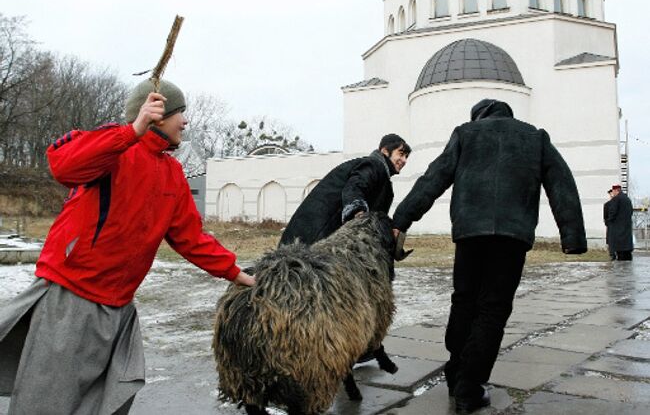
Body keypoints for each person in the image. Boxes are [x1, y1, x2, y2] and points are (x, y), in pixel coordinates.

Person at [0, 78, 254, 415]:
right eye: (180, 113)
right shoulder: (113, 148)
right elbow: (63, 166)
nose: (186, 121)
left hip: (119, 308)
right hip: (71, 300)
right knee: (47, 402)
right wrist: (132, 130)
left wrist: (235, 273)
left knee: (102, 403)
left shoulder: (172, 173)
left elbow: (191, 238)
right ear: (157, 115)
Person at [392, 99, 587, 414]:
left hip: (470, 233)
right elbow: (562, 184)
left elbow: (434, 178)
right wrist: (573, 237)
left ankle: (457, 372)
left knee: (464, 300)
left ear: (477, 116)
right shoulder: (535, 137)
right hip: (512, 236)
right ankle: (470, 387)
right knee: (493, 310)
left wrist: (401, 219)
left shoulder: (466, 133)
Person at [279, 133, 411, 246]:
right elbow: (355, 187)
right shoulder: (374, 165)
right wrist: (359, 213)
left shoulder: (381, 176)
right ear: (385, 151)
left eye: (406, 157)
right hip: (315, 234)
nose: (404, 160)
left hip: (312, 234)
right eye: (401, 154)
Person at [606, 184, 634, 261]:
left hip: (617, 229)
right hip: (627, 226)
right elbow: (631, 211)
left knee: (620, 251)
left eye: (613, 191)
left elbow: (612, 212)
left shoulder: (616, 199)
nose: (613, 193)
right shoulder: (627, 199)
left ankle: (620, 269)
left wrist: (609, 221)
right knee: (627, 251)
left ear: (616, 190)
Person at [604, 189, 616, 260]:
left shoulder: (620, 203)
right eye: (610, 194)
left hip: (618, 226)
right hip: (610, 226)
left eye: (613, 193)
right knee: (610, 241)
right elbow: (605, 217)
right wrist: (608, 223)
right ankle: (612, 255)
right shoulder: (607, 204)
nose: (612, 195)